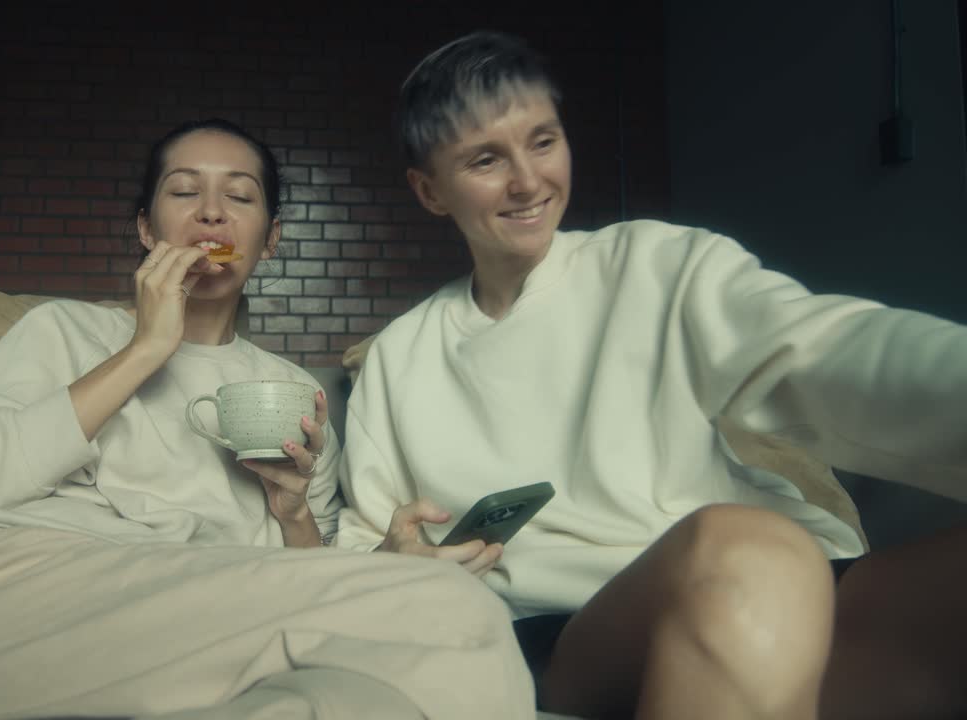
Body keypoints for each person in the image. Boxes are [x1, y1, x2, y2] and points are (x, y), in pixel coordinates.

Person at [336, 30, 967, 720]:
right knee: (751, 548)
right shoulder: (399, 357)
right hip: (573, 630)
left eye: (543, 142)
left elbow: (829, 350)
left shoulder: (658, 265)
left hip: (793, 589)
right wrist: (398, 559)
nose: (527, 180)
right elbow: (362, 552)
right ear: (430, 191)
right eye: (487, 159)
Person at [0, 118, 535, 720]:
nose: (212, 212)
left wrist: (295, 515)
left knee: (370, 696)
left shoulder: (292, 392)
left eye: (241, 197)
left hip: (197, 645)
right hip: (21, 603)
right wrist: (146, 349)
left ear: (271, 238)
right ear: (148, 230)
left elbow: (294, 592)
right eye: (184, 191)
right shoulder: (64, 330)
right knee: (458, 608)